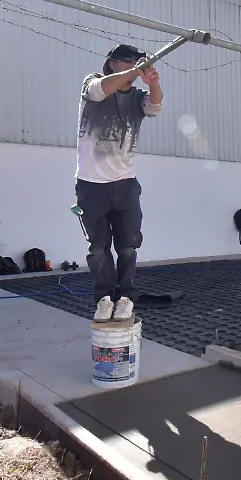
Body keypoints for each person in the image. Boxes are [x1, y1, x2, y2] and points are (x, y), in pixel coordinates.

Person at [75, 43, 163, 323]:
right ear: (111, 63)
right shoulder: (93, 83)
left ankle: (126, 296)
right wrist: (132, 72)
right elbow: (101, 88)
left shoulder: (138, 97)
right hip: (91, 184)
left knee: (128, 244)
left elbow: (155, 107)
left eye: (136, 62)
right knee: (98, 246)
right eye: (126, 62)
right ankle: (104, 298)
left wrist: (154, 83)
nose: (132, 67)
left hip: (125, 183)